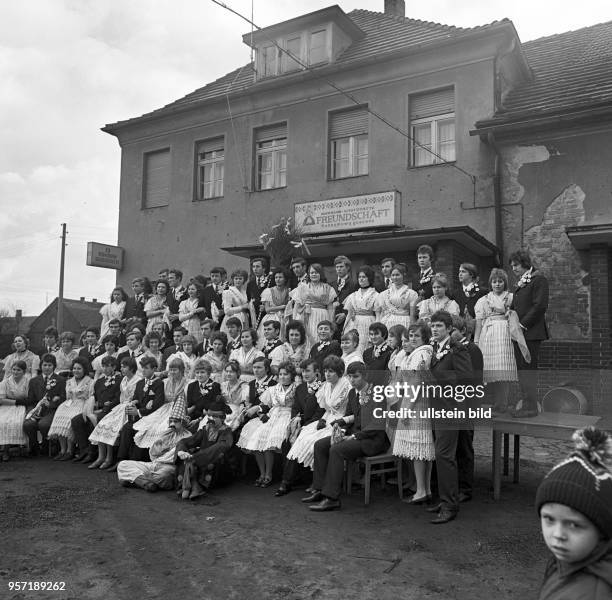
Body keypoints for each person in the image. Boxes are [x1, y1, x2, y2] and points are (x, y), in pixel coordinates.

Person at [535, 427, 612, 599]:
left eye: (574, 524)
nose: (558, 534)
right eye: (549, 519)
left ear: (603, 528)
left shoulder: (593, 592)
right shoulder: (568, 561)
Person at [306, 361, 390, 511]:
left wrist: (353, 437)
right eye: (349, 377)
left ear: (365, 376)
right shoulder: (353, 393)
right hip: (355, 434)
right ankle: (319, 489)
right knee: (320, 445)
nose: (352, 380)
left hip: (371, 439)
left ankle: (331, 498)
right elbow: (349, 416)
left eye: (356, 377)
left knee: (336, 449)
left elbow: (377, 424)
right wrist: (340, 428)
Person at [426, 310, 473, 524]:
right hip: (437, 408)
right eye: (433, 326)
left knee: (445, 456)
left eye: (439, 326)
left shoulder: (457, 350)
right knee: (441, 455)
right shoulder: (436, 349)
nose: (434, 329)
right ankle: (444, 498)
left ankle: (450, 505)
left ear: (449, 328)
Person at [391, 322, 435, 504]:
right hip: (412, 401)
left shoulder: (423, 353)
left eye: (417, 336)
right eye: (411, 336)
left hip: (417, 404)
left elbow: (417, 383)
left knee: (419, 448)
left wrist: (407, 409)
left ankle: (422, 490)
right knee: (420, 449)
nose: (413, 339)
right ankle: (424, 488)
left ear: (424, 337)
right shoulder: (413, 353)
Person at [474, 268, 526, 414]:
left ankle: (503, 402)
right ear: (491, 283)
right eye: (495, 281)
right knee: (490, 368)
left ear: (505, 283)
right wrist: (477, 340)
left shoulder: (511, 297)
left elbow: (518, 315)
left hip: (505, 333)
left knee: (503, 368)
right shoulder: (484, 300)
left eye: (500, 281)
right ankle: (492, 402)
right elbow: (479, 321)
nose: (497, 284)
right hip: (489, 334)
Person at [238, 361, 298, 487]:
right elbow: (265, 405)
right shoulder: (273, 389)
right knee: (257, 439)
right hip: (273, 415)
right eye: (280, 374)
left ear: (291, 376)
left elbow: (298, 406)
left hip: (287, 416)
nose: (282, 377)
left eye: (286, 374)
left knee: (269, 442)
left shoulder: (296, 388)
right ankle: (262, 473)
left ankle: (269, 474)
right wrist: (257, 409)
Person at [117, 394, 192, 493]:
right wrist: (158, 447)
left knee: (163, 476)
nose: (172, 424)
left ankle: (136, 480)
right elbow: (152, 454)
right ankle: (145, 483)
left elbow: (174, 458)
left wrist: (165, 450)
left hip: (169, 467)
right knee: (122, 465)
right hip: (154, 464)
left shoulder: (188, 436)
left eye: (176, 422)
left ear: (182, 422)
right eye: (171, 421)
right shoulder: (167, 432)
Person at [286, 355, 350, 470]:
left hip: (341, 422)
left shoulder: (347, 386)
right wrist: (323, 419)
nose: (327, 374)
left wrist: (340, 422)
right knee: (304, 435)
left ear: (339, 372)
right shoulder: (326, 386)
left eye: (331, 371)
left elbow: (348, 411)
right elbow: (328, 410)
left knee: (315, 443)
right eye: (325, 371)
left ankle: (318, 478)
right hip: (327, 419)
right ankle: (310, 477)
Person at [274, 358, 324, 496]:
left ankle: (286, 482)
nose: (305, 374)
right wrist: (295, 421)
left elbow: (321, 412)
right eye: (303, 371)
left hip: (315, 424)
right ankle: (294, 477)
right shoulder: (301, 388)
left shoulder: (322, 387)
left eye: (308, 371)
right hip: (301, 422)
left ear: (317, 372)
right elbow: (295, 408)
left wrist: (305, 426)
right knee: (286, 442)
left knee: (297, 442)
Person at [509, 249, 549, 418]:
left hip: (531, 333)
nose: (513, 269)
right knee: (521, 370)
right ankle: (525, 405)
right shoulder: (521, 283)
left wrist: (523, 325)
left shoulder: (538, 279)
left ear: (525, 263)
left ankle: (531, 407)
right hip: (519, 333)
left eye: (516, 265)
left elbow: (540, 305)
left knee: (528, 370)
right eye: (511, 266)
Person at [450, 315, 484, 504]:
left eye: (453, 329)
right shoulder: (449, 348)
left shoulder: (473, 350)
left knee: (464, 446)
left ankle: (466, 487)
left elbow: (474, 380)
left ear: (463, 331)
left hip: (466, 405)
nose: (450, 333)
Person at [175, 396, 236, 499]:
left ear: (222, 418)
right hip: (202, 457)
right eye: (209, 416)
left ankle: (194, 486)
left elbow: (220, 448)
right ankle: (193, 485)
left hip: (220, 464)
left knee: (210, 462)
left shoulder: (226, 432)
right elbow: (189, 441)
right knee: (186, 457)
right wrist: (182, 451)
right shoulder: (205, 429)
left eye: (214, 417)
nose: (210, 419)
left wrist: (196, 457)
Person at [86, 356, 141, 470]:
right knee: (103, 424)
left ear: (131, 368)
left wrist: (127, 404)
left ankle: (109, 458)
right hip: (121, 406)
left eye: (124, 367)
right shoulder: (124, 380)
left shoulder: (138, 380)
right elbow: (121, 397)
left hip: (130, 408)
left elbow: (137, 398)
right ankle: (101, 457)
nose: (121, 369)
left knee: (113, 427)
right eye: (121, 366)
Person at [71, 355, 123, 464]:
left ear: (114, 367)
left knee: (96, 420)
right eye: (103, 366)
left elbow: (119, 398)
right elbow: (94, 397)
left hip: (112, 410)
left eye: (108, 366)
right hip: (98, 409)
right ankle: (84, 450)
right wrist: (92, 408)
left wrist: (106, 407)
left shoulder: (119, 380)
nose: (105, 369)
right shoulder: (99, 381)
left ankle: (95, 453)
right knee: (76, 420)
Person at [132, 358, 188, 453]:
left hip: (179, 410)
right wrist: (152, 402)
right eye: (171, 370)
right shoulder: (165, 382)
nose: (172, 372)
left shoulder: (187, 383)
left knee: (163, 428)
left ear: (181, 370)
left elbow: (187, 401)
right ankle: (148, 454)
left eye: (175, 370)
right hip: (164, 409)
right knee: (150, 426)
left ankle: (161, 453)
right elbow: (160, 397)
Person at [116, 357, 165, 463]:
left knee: (139, 430)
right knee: (126, 428)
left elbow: (157, 405)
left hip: (151, 417)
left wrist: (138, 412)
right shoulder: (140, 383)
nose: (143, 370)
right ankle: (121, 460)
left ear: (154, 369)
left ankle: (135, 460)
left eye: (147, 368)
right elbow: (136, 398)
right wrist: (134, 403)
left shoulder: (159, 383)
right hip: (139, 416)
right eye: (142, 368)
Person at [47, 357, 94, 460]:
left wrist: (83, 397)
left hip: (82, 404)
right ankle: (62, 450)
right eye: (74, 368)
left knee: (70, 419)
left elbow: (91, 397)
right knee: (59, 416)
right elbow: (68, 396)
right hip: (69, 403)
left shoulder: (90, 381)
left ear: (84, 369)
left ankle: (70, 450)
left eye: (79, 369)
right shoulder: (69, 381)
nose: (76, 371)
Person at [23, 354, 66, 456]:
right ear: (41, 366)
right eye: (45, 365)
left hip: (51, 410)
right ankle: (35, 446)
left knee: (44, 424)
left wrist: (51, 404)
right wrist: (31, 411)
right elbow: (31, 399)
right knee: (28, 424)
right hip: (37, 409)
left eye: (50, 365)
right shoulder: (33, 381)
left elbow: (63, 398)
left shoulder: (60, 380)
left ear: (54, 366)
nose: (47, 368)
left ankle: (47, 445)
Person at [290, 263, 337, 347]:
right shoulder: (303, 287)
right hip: (307, 315)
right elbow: (297, 304)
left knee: (320, 336)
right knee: (307, 337)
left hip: (322, 315)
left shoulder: (327, 288)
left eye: (316, 272)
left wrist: (330, 321)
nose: (314, 274)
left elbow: (330, 307)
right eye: (312, 273)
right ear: (309, 274)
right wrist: (294, 320)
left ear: (320, 274)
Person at [342, 266, 378, 355]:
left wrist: (376, 330)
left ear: (369, 278)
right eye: (359, 277)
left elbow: (378, 314)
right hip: (353, 323)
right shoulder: (353, 295)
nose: (361, 279)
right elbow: (349, 314)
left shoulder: (376, 295)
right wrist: (344, 329)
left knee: (364, 346)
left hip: (368, 322)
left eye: (364, 277)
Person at [0, 360, 30, 460]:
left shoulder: (28, 381)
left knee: (17, 422)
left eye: (18, 370)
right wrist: (16, 402)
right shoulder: (5, 382)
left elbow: (29, 398)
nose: (15, 372)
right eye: (14, 369)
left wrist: (21, 402)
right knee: (3, 421)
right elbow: (1, 399)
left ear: (24, 372)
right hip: (8, 406)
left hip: (22, 407)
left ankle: (23, 447)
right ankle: (5, 450)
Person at [375, 263, 418, 329]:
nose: (395, 277)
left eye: (397, 275)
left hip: (404, 321)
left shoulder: (412, 293)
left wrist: (412, 327)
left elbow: (412, 314)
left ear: (403, 275)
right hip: (388, 322)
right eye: (393, 275)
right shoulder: (384, 294)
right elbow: (381, 312)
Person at [185, 359, 221, 431]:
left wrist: (198, 419)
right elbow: (190, 406)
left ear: (208, 373)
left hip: (207, 417)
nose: (199, 375)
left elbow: (211, 409)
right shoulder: (191, 386)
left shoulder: (215, 386)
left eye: (202, 372)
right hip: (193, 415)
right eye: (197, 372)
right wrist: (187, 418)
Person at [257, 268, 289, 342]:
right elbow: (267, 309)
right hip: (271, 317)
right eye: (276, 277)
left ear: (285, 279)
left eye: (280, 277)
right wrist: (281, 307)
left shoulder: (288, 291)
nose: (278, 279)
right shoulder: (269, 291)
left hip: (284, 318)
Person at [455, 263, 486, 339]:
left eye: (463, 272)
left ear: (471, 275)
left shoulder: (482, 291)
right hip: (461, 332)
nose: (460, 274)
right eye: (459, 272)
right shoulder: (455, 293)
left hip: (478, 331)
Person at [331, 255, 357, 337]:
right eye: (337, 267)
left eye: (341, 267)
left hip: (347, 319)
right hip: (332, 319)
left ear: (348, 268)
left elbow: (355, 303)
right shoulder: (331, 284)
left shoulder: (354, 284)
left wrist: (345, 314)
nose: (339, 269)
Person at [220, 360, 250, 431]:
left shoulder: (244, 386)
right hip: (223, 410)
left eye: (231, 372)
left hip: (237, 410)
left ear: (238, 373)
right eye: (227, 371)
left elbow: (244, 402)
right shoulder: (223, 385)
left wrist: (237, 414)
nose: (228, 374)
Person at [363, 322, 393, 387]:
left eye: (376, 334)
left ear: (384, 335)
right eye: (371, 334)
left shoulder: (389, 352)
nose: (373, 337)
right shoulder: (367, 352)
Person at [221, 269, 250, 333]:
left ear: (244, 280)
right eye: (236, 279)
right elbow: (227, 311)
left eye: (240, 279)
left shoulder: (245, 292)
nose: (238, 281)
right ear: (233, 280)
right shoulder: (228, 292)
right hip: (232, 319)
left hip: (244, 318)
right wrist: (242, 307)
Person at [247, 257, 272, 331]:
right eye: (253, 267)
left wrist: (267, 307)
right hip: (254, 315)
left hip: (267, 315)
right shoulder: (250, 284)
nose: (255, 269)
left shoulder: (270, 282)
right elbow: (249, 299)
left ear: (264, 268)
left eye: (257, 266)